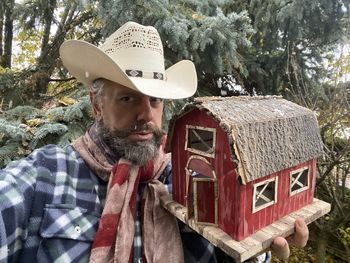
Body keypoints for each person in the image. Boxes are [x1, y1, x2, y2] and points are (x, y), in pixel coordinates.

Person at [0, 21, 308, 263]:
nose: (147, 114)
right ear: (96, 105)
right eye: (127, 98)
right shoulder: (46, 177)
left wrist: (256, 248)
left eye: (156, 99)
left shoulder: (189, 181)